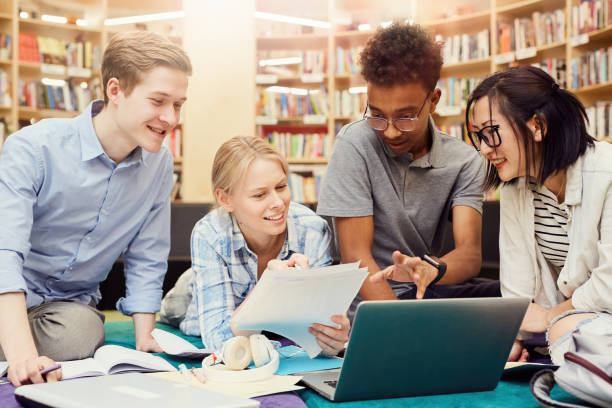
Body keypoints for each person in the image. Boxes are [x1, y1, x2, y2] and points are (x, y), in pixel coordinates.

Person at [0, 31, 192, 386]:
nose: (170, 117)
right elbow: (4, 253)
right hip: (6, 293)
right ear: (115, 91)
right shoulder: (33, 148)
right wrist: (24, 358)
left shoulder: (160, 163)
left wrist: (145, 337)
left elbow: (147, 253)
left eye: (178, 104)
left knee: (84, 333)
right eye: (158, 101)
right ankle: (12, 344)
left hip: (65, 311)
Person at [317, 22, 499, 317]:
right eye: (376, 115)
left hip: (426, 290)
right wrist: (402, 326)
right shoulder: (354, 144)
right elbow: (356, 258)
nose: (389, 132)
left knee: (511, 297)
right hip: (367, 302)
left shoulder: (465, 161)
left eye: (405, 118)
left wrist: (431, 270)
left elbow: (469, 255)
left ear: (434, 100)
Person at [464, 66, 612, 364]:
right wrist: (513, 339)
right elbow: (517, 287)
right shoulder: (515, 189)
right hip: (580, 323)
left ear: (538, 126)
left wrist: (549, 318)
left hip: (584, 319)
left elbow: (610, 285)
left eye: (491, 133)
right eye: (478, 136)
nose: (483, 149)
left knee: (566, 333)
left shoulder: (606, 173)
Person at [162, 136, 350, 355]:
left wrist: (333, 335)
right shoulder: (209, 234)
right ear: (225, 199)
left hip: (263, 318)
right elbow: (217, 341)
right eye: (260, 194)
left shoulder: (313, 230)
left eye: (281, 187)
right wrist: (268, 286)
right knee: (174, 308)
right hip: (188, 296)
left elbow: (317, 329)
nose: (278, 203)